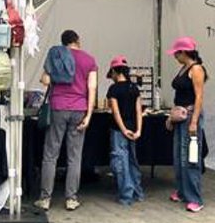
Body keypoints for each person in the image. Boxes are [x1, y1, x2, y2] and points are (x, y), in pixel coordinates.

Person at [35, 29, 97, 212]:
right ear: (77, 40)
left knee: (50, 154)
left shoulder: (57, 55)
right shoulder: (89, 60)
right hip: (79, 108)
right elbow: (92, 88)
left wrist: (51, 75)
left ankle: (45, 198)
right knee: (74, 156)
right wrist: (89, 115)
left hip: (58, 107)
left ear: (63, 43)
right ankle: (71, 199)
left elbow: (45, 80)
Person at [167, 36, 207, 212]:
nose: (175, 57)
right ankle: (182, 191)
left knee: (190, 157)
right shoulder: (184, 68)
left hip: (190, 115)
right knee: (179, 157)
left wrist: (194, 121)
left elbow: (199, 97)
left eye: (177, 53)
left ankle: (195, 198)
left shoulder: (196, 69)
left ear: (184, 52)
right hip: (180, 115)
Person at [105, 56, 144, 205]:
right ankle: (138, 192)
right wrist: (138, 130)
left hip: (119, 130)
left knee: (120, 162)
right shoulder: (134, 88)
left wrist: (123, 129)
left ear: (115, 71)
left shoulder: (113, 89)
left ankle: (126, 195)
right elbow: (138, 110)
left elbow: (116, 112)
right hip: (133, 129)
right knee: (133, 161)